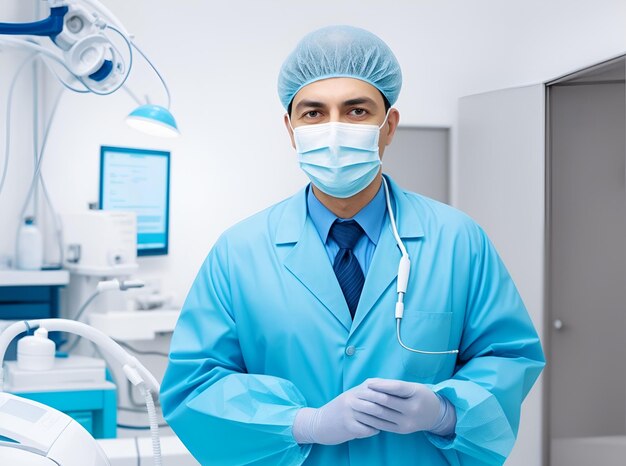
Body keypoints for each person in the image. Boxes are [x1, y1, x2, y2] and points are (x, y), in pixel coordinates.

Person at [160, 25, 545, 466]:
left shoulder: (458, 241)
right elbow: (194, 387)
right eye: (313, 113)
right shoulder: (238, 253)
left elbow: (509, 357)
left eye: (357, 111)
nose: (335, 129)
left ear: (389, 126)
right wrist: (303, 424)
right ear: (291, 129)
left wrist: (445, 412)